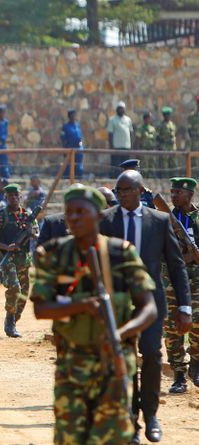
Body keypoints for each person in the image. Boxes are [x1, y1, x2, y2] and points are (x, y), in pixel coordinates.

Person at [31, 183, 158, 445]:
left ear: (100, 216)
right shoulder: (53, 255)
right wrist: (84, 305)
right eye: (69, 213)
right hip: (72, 365)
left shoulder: (121, 254)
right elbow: (41, 309)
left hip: (114, 363)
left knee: (112, 437)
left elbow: (149, 308)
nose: (74, 219)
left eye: (81, 212)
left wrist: (121, 333)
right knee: (70, 438)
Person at [99, 170, 192, 444]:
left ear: (140, 191)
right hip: (118, 305)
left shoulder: (160, 221)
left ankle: (150, 415)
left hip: (151, 303)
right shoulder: (106, 221)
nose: (121, 195)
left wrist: (184, 305)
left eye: (126, 190)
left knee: (151, 355)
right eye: (118, 191)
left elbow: (176, 266)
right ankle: (131, 421)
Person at [161, 177, 199, 393]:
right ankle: (178, 374)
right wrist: (184, 256)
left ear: (190, 195)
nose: (174, 196)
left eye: (178, 193)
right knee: (172, 327)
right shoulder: (165, 218)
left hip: (197, 279)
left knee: (197, 321)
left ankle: (195, 364)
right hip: (171, 280)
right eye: (172, 192)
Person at [0, 183, 38, 337]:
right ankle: (9, 322)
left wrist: (30, 232)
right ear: (6, 197)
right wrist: (6, 247)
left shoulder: (28, 216)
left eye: (16, 195)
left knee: (24, 293)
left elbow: (36, 234)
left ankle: (14, 318)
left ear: (20, 197)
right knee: (15, 288)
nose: (13, 198)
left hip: (24, 259)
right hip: (8, 259)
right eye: (10, 196)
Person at [107, 101, 133, 176]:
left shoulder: (128, 120)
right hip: (116, 147)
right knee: (116, 165)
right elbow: (110, 134)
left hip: (126, 146)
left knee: (126, 165)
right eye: (119, 108)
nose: (121, 110)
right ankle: (114, 177)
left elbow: (131, 132)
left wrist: (131, 144)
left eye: (122, 109)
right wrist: (111, 146)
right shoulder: (112, 120)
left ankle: (126, 177)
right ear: (117, 109)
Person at [60, 109, 83, 179]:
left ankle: (78, 178)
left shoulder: (77, 125)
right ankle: (67, 179)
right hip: (69, 148)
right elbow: (63, 138)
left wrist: (81, 145)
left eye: (74, 115)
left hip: (78, 149)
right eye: (72, 115)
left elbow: (80, 136)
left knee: (78, 165)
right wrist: (64, 149)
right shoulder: (65, 127)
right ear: (69, 116)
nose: (74, 117)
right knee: (69, 165)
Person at [156, 106, 177, 176]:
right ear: (164, 116)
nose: (168, 116)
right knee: (165, 166)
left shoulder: (172, 124)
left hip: (172, 148)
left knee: (173, 165)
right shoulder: (160, 125)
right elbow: (157, 137)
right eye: (166, 115)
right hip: (164, 147)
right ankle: (165, 179)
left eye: (169, 114)